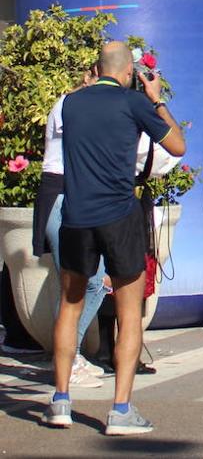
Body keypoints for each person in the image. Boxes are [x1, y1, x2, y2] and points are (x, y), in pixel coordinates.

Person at [44, 41, 185, 436]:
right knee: (129, 311)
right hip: (119, 216)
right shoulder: (134, 102)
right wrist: (155, 100)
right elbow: (177, 144)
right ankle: (120, 409)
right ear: (128, 73)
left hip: (75, 215)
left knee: (69, 307)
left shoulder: (70, 103)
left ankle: (60, 401)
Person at [33, 67, 107, 387]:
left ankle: (70, 354)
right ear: (89, 76)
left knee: (96, 280)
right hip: (61, 195)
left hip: (82, 198)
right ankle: (67, 360)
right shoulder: (68, 105)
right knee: (80, 281)